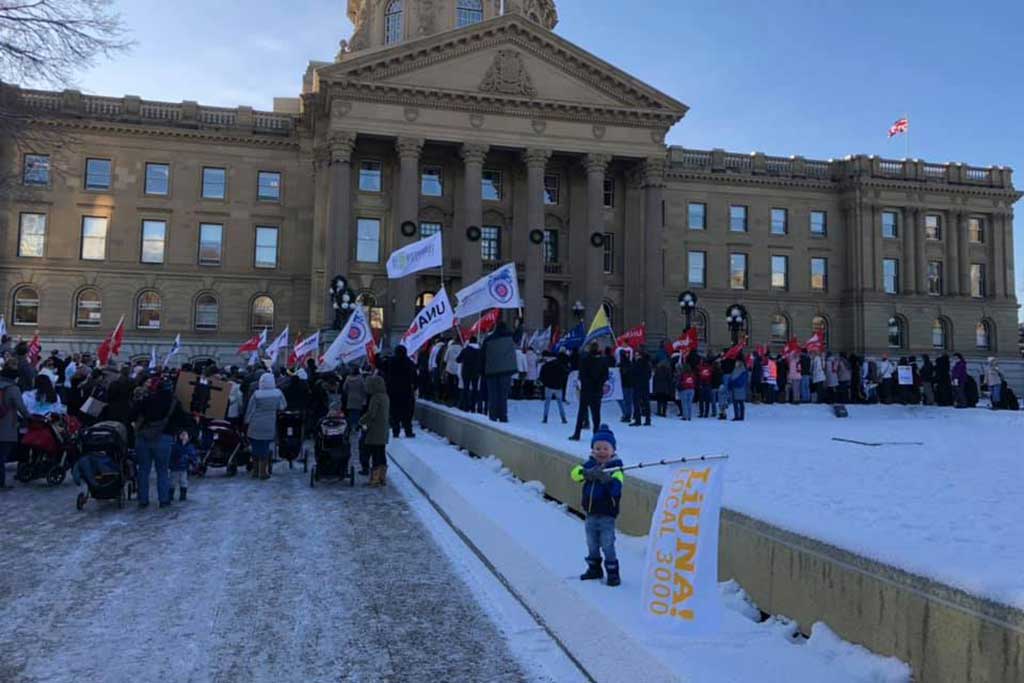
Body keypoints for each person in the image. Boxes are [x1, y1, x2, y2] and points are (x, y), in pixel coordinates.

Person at [569, 424, 623, 587]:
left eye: (605, 448)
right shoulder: (588, 465)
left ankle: (613, 573)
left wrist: (605, 479)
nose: (601, 451)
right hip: (591, 513)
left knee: (607, 544)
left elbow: (616, 489)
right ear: (592, 450)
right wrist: (586, 473)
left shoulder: (617, 468)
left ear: (613, 450)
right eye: (597, 448)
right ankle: (594, 569)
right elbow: (574, 475)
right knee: (592, 543)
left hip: (607, 515)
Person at [133, 374, 182, 508]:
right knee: (162, 470)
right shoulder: (174, 402)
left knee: (143, 470)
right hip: (164, 437)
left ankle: (143, 500)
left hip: (143, 437)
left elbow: (133, 413)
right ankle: (164, 500)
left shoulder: (147, 399)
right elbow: (181, 420)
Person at [245, 372, 287, 480]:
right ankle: (263, 472)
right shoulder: (278, 393)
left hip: (255, 423)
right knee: (265, 447)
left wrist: (246, 421)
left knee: (255, 448)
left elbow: (250, 410)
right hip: (269, 423)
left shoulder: (256, 394)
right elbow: (283, 406)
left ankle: (255, 471)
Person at [0, 359, 31, 489]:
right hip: (6, 426)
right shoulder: (13, 388)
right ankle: (0, 483)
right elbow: (21, 408)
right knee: (1, 456)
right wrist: (29, 418)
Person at [570, 343, 608, 441]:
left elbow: (582, 375)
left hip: (586, 390)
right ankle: (596, 434)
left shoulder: (584, 360)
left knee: (581, 412)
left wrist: (586, 383)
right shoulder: (603, 361)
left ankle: (577, 434)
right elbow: (605, 376)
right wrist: (599, 383)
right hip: (597, 391)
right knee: (596, 415)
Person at [481, 321, 517, 423]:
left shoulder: (488, 339)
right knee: (503, 395)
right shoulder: (510, 338)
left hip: (491, 371)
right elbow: (518, 336)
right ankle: (503, 416)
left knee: (493, 395)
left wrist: (482, 371)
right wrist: (520, 325)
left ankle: (493, 416)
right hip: (505, 371)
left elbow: (482, 356)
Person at [359, 374, 390, 486]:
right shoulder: (385, 396)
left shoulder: (375, 397)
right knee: (381, 453)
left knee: (375, 454)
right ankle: (382, 477)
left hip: (375, 430)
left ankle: (375, 479)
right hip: (383, 430)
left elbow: (372, 414)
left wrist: (361, 420)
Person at [384, 345, 418, 437]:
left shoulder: (390, 361)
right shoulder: (409, 363)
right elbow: (414, 377)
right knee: (407, 413)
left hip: (392, 391)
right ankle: (408, 431)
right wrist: (414, 387)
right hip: (406, 391)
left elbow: (381, 366)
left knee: (394, 412)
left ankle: (396, 431)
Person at [343, 368, 369, 474]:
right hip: (359, 399)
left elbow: (344, 389)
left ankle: (350, 427)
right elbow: (365, 389)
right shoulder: (361, 379)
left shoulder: (348, 379)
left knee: (350, 414)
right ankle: (356, 426)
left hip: (350, 398)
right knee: (357, 414)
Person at [539, 351, 569, 424]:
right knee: (560, 403)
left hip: (549, 386)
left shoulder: (546, 365)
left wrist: (545, 383)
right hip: (558, 387)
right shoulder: (561, 366)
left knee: (547, 403)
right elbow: (565, 374)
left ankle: (545, 418)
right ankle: (563, 418)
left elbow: (542, 376)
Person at [456, 336, 483, 413]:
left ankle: (465, 406)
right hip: (476, 372)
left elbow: (458, 360)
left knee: (466, 388)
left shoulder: (465, 350)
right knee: (475, 389)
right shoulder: (480, 351)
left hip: (466, 372)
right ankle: (473, 406)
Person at [169, 429, 196, 502]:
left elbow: (193, 455)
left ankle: (183, 496)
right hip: (175, 468)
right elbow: (172, 456)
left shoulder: (190, 446)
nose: (184, 436)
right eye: (182, 435)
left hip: (184, 468)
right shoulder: (175, 446)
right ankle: (170, 496)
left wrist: (192, 462)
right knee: (172, 482)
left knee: (183, 482)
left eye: (185, 435)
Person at [629, 349, 652, 427]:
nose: (635, 356)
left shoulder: (637, 364)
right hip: (645, 385)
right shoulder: (648, 363)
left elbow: (632, 373)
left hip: (637, 385)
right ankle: (648, 420)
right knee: (646, 403)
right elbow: (649, 374)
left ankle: (638, 420)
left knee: (636, 403)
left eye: (636, 355)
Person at [729, 353, 749, 421]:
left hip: (740, 388)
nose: (735, 363)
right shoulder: (736, 369)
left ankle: (740, 416)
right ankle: (737, 416)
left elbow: (741, 380)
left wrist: (734, 382)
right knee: (737, 403)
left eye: (736, 362)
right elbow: (731, 377)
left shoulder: (742, 370)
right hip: (736, 389)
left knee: (740, 403)